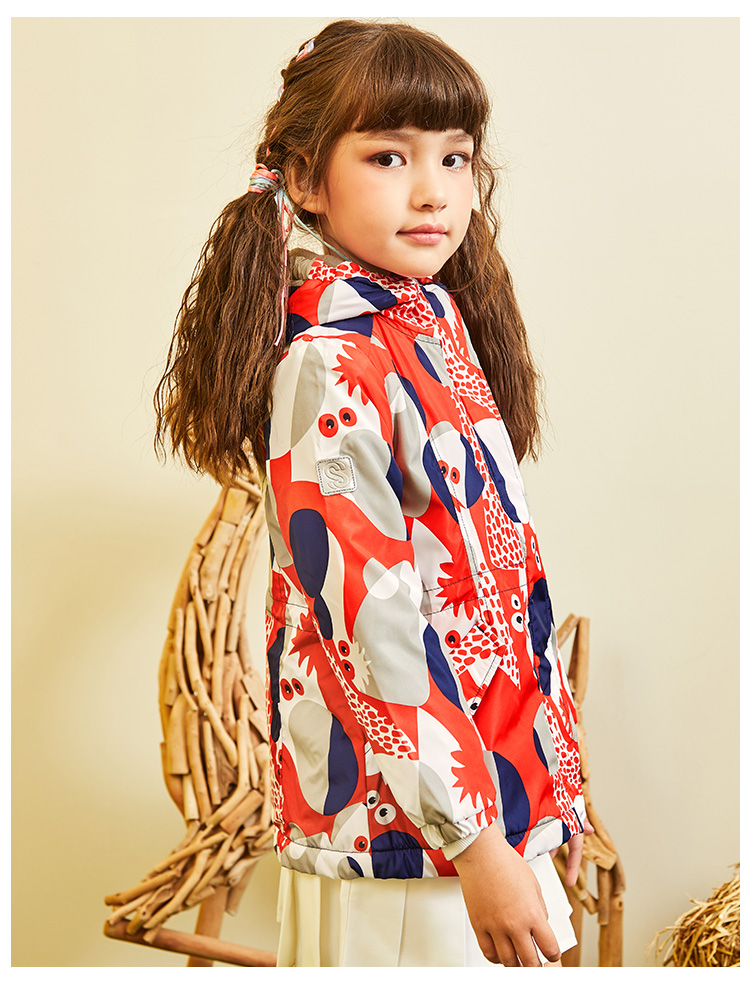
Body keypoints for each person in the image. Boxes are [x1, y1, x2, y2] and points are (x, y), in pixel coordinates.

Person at [154, 18, 593, 968]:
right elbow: (369, 620)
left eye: (455, 157)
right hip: (407, 839)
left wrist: (538, 795)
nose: (433, 190)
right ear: (306, 178)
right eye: (390, 156)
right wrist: (474, 839)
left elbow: (493, 593)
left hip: (490, 817)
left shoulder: (431, 330)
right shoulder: (332, 364)